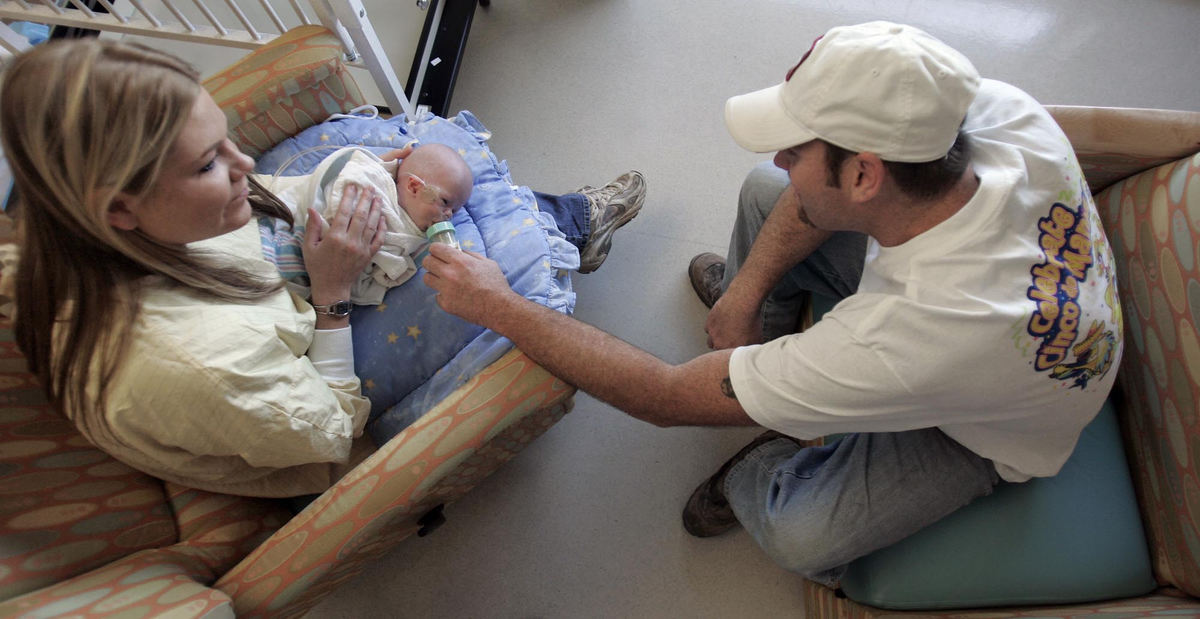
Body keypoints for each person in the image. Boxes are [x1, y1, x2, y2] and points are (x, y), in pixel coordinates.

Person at [422, 21, 1122, 586]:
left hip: (983, 427)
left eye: (798, 147)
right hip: (996, 319)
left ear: (864, 174)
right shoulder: (993, 114)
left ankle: (769, 451)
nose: (785, 158)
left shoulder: (906, 339)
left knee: (801, 533)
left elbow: (665, 396)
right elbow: (801, 194)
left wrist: (500, 304)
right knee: (766, 192)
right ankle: (769, 352)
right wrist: (747, 294)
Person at [0, 38, 645, 498]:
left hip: (281, 277)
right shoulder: (200, 364)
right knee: (474, 269)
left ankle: (558, 219)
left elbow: (258, 200)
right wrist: (334, 292)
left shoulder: (66, 228)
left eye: (227, 139)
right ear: (121, 210)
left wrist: (356, 185)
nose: (244, 164)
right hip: (314, 410)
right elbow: (331, 433)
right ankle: (570, 227)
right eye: (207, 165)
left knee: (404, 166)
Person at [261, 142, 475, 304]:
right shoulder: (373, 182)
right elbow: (342, 193)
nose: (448, 215)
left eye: (455, 210)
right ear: (414, 187)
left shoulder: (412, 236)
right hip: (286, 236)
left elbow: (376, 276)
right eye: (445, 202)